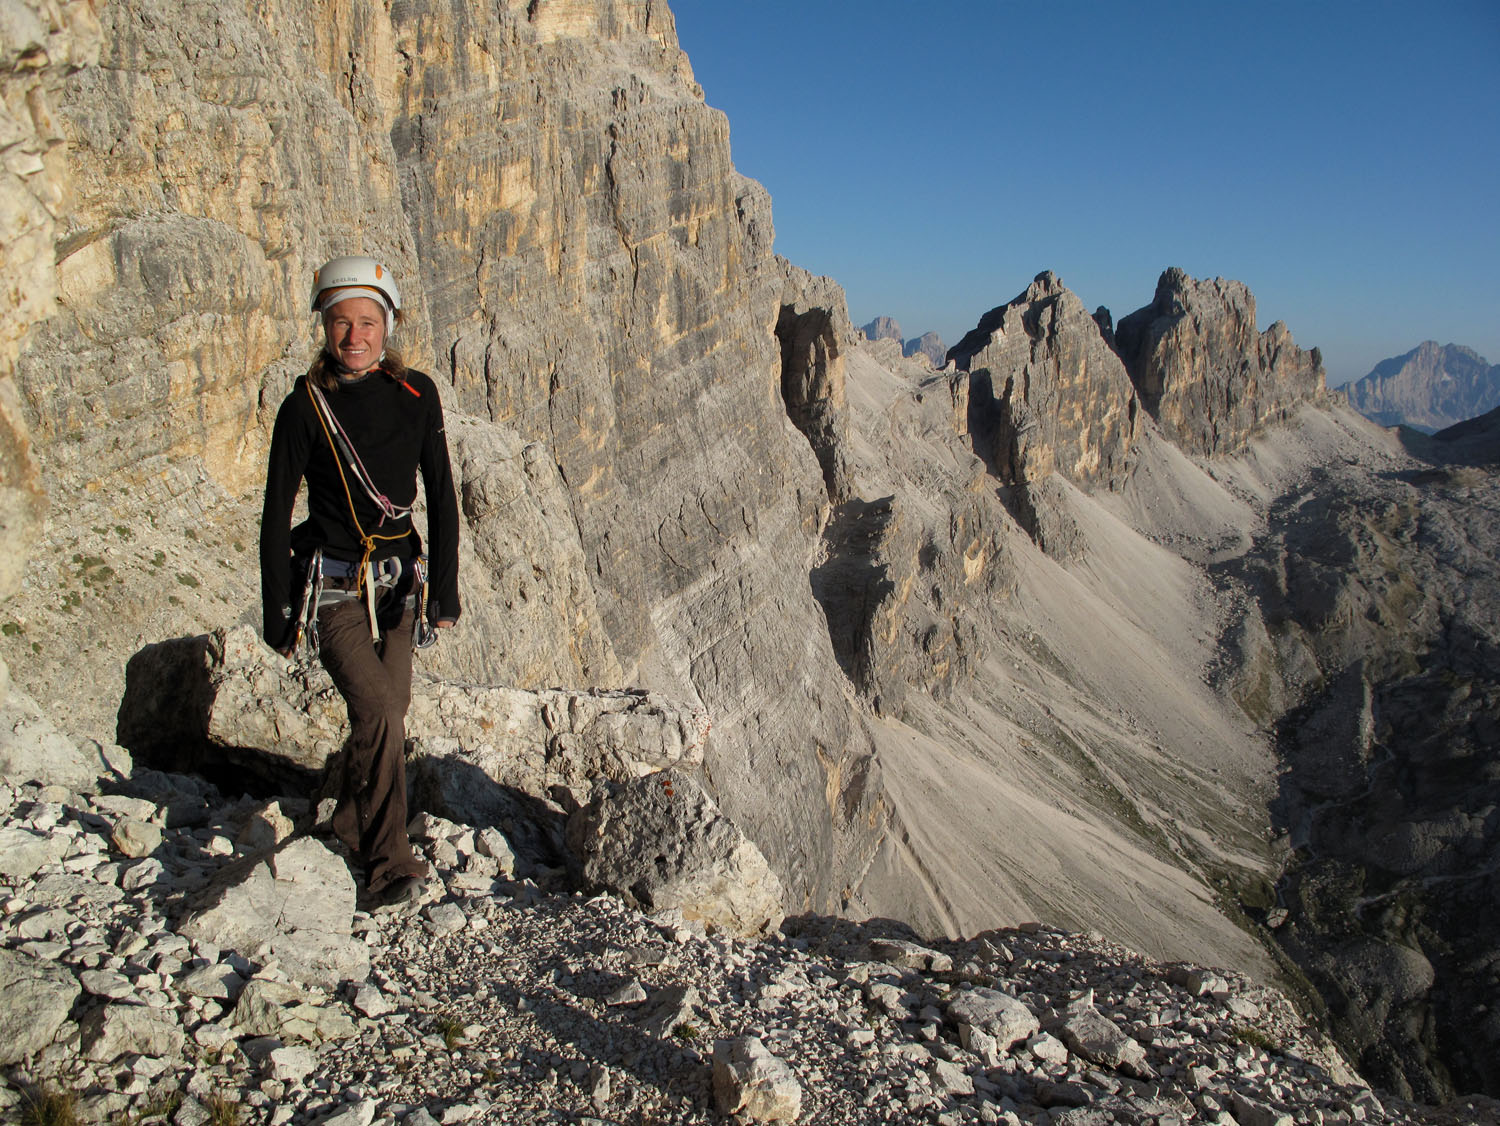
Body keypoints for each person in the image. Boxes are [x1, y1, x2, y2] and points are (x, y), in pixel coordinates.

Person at [259, 255, 460, 908]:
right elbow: (275, 513)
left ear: (388, 325)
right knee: (376, 712)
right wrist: (279, 611)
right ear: (324, 325)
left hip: (400, 591)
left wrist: (448, 592)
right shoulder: (304, 408)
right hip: (336, 592)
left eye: (367, 322)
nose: (354, 336)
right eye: (341, 322)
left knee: (390, 715)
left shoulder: (417, 395)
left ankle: (348, 818)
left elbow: (442, 492)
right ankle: (387, 866)